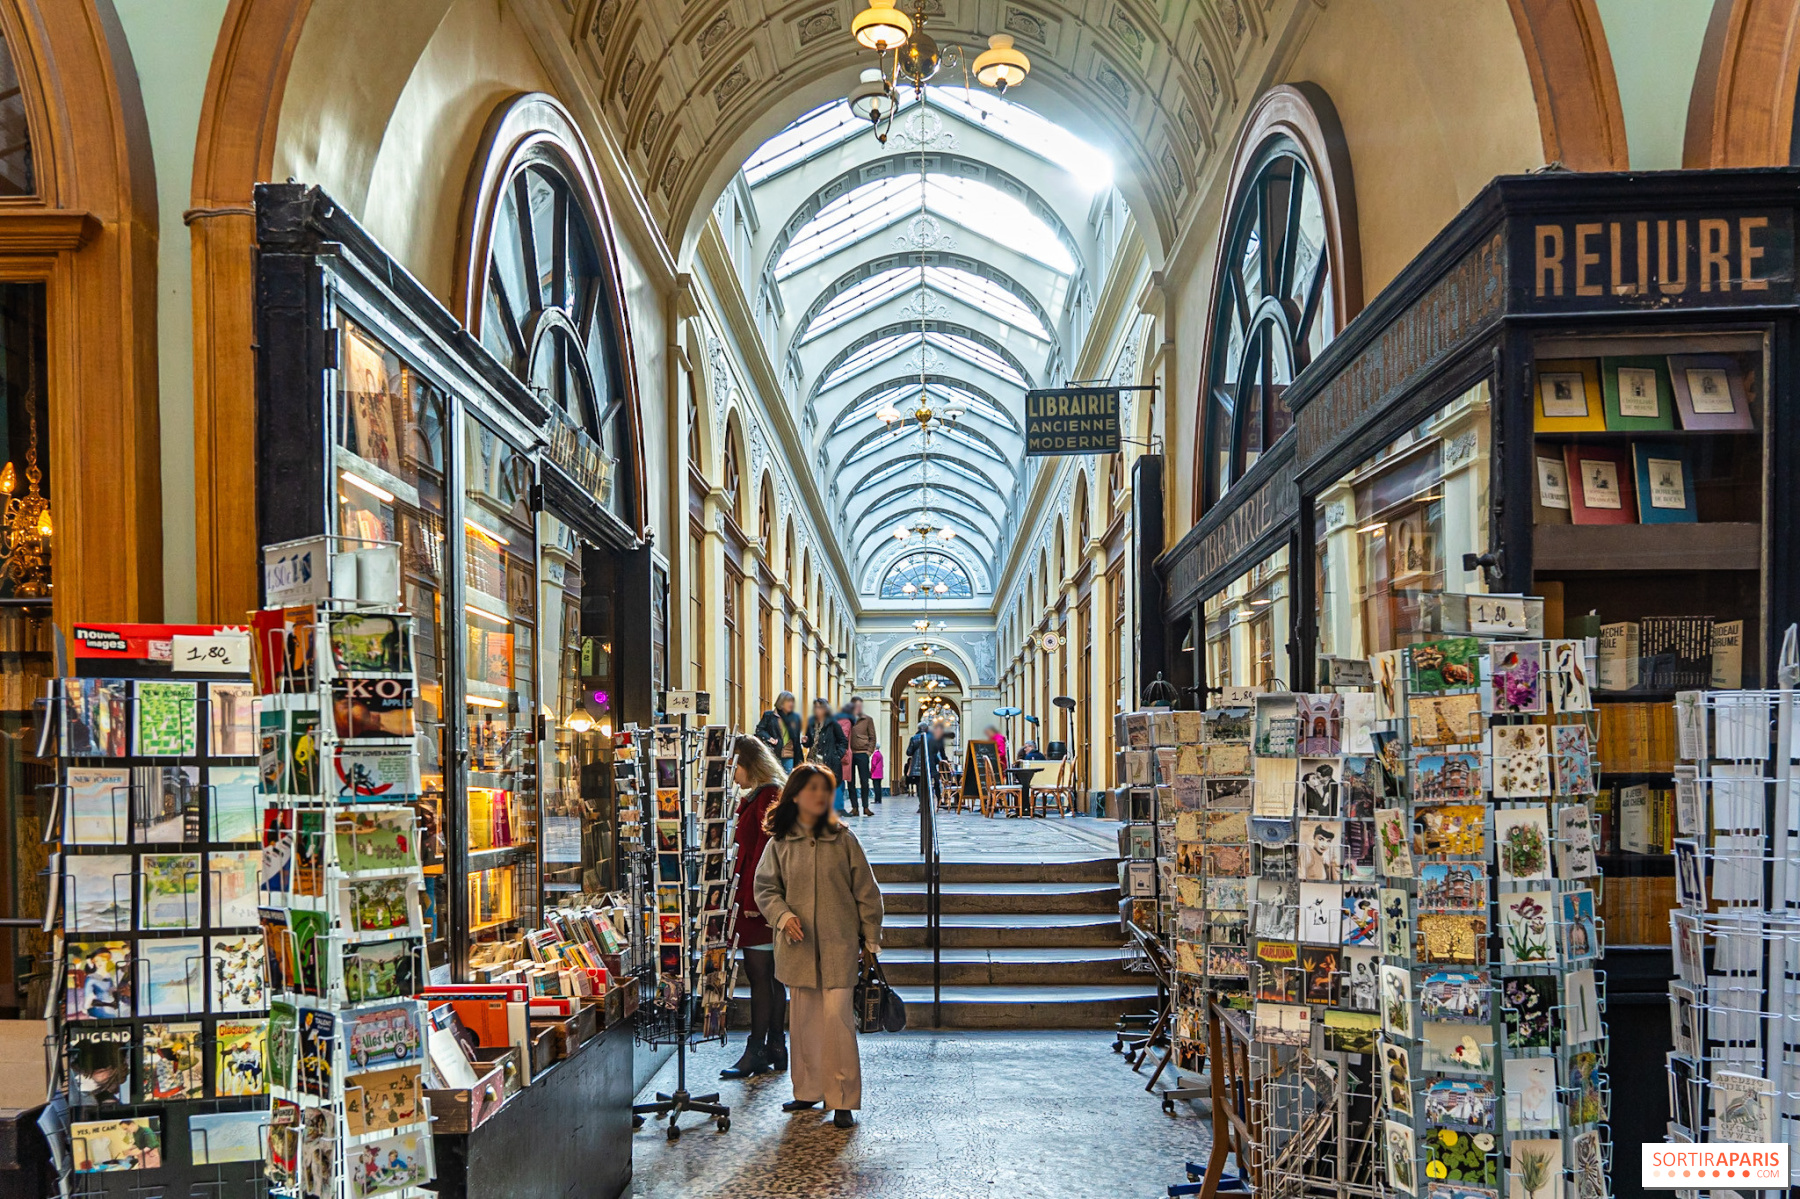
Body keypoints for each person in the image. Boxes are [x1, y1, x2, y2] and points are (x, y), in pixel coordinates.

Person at [754, 764, 883, 1129]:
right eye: (812, 788)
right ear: (795, 795)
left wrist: (871, 939)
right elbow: (765, 888)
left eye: (825, 788)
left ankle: (842, 1098)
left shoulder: (843, 840)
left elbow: (867, 892)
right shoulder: (780, 843)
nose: (820, 795)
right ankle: (808, 1090)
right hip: (798, 949)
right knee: (804, 1022)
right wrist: (783, 916)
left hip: (839, 946)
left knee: (838, 1023)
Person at [721, 736, 789, 1079]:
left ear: (750, 764)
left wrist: (753, 902)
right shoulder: (763, 794)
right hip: (756, 898)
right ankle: (776, 1045)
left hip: (756, 902)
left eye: (735, 766)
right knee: (771, 978)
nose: (732, 774)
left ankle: (757, 1050)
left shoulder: (767, 795)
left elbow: (765, 854)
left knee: (760, 976)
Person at [904, 719, 947, 845]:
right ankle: (934, 802)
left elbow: (908, 752)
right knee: (932, 784)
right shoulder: (932, 738)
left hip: (918, 767)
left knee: (919, 786)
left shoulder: (914, 738)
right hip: (930, 765)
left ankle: (921, 805)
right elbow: (937, 752)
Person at [804, 698, 849, 803]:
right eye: (816, 707)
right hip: (813, 760)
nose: (817, 710)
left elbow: (843, 741)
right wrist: (805, 741)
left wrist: (837, 755)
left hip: (828, 761)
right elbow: (810, 742)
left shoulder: (833, 724)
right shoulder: (811, 724)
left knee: (828, 788)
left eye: (820, 707)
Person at [756, 692, 803, 771]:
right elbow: (759, 730)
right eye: (788, 701)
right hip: (774, 752)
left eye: (792, 702)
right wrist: (769, 738)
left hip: (789, 753)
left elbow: (796, 739)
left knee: (787, 777)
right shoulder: (769, 716)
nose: (791, 704)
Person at [847, 697, 878, 816]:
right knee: (850, 782)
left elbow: (873, 737)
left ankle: (866, 807)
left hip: (862, 753)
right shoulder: (847, 719)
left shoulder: (867, 719)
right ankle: (854, 807)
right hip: (850, 754)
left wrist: (869, 752)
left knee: (864, 781)